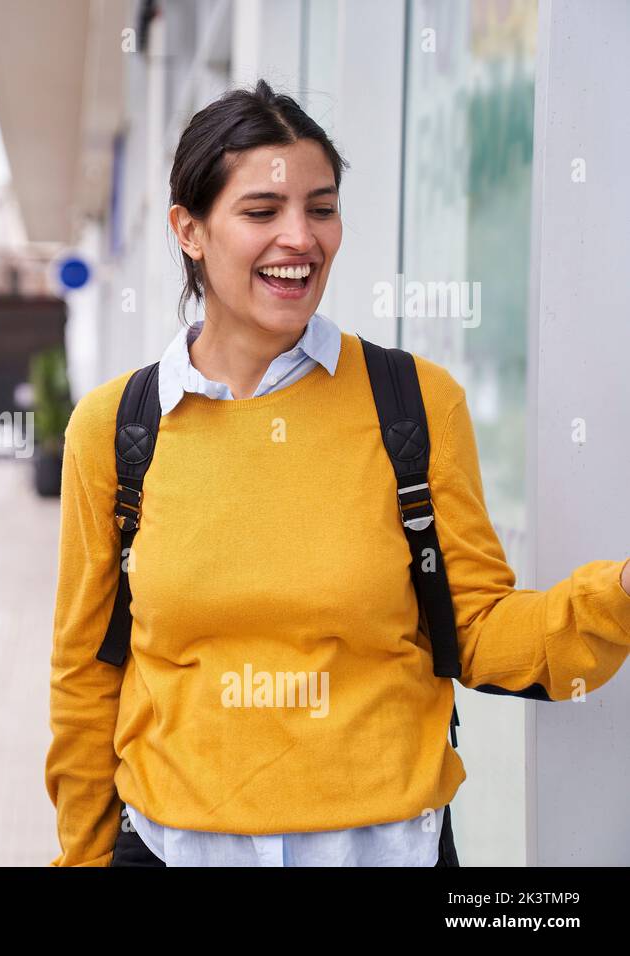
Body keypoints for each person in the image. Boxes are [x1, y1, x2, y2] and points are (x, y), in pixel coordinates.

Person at [45, 79, 630, 867]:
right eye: (263, 212)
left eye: (321, 209)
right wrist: (80, 858)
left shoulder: (413, 404)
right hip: (172, 847)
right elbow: (87, 676)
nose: (301, 238)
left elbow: (481, 630)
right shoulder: (118, 430)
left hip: (389, 850)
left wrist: (618, 596)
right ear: (188, 229)